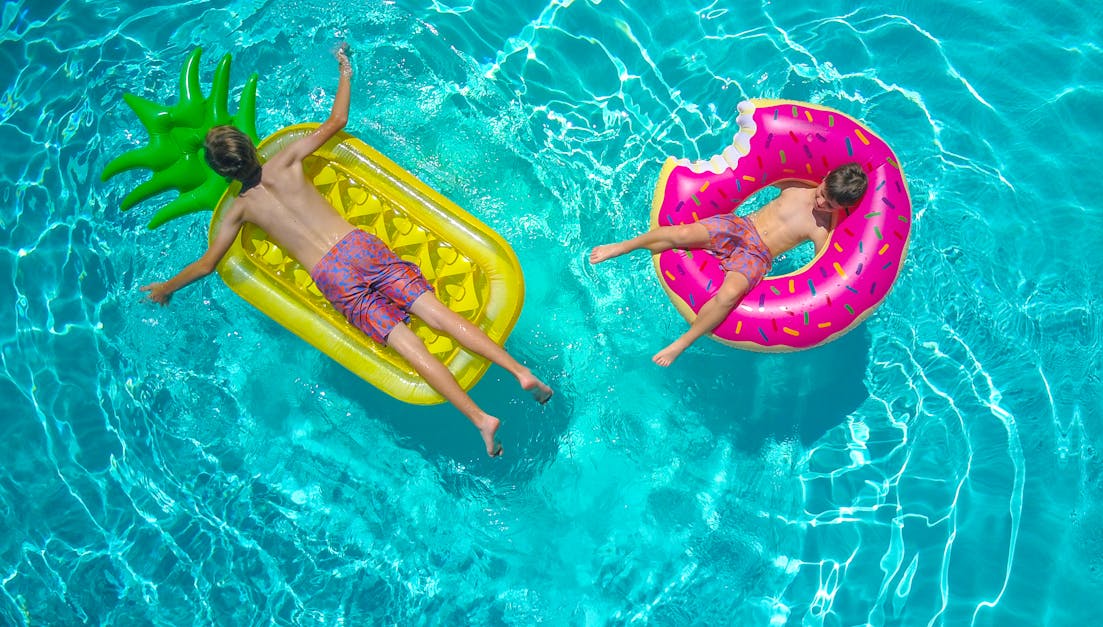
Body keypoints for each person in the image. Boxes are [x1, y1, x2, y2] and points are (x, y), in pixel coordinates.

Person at [141, 46, 551, 457]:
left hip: (331, 275)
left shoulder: (239, 209)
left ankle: (480, 419)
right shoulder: (286, 159)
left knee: (411, 349)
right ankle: (520, 371)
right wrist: (344, 70)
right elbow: (338, 121)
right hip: (357, 247)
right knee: (440, 316)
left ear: (221, 172)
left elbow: (207, 264)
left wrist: (166, 287)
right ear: (250, 145)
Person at [589, 163, 868, 366]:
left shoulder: (822, 230)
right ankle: (622, 246)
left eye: (829, 205)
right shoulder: (795, 186)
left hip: (758, 256)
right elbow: (758, 173)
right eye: (822, 193)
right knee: (682, 234)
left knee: (730, 294)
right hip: (740, 226)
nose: (820, 202)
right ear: (825, 177)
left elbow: (823, 272)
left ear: (841, 209)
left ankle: (683, 342)